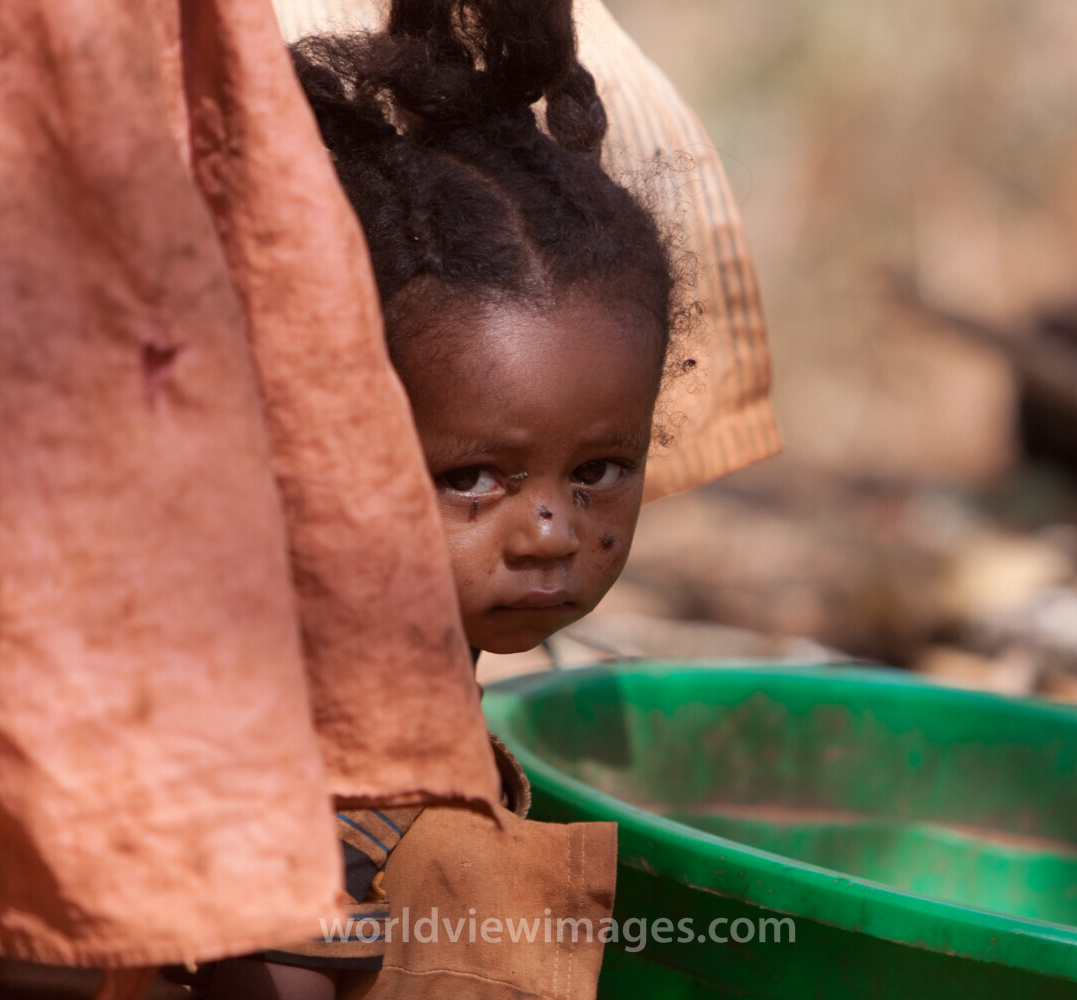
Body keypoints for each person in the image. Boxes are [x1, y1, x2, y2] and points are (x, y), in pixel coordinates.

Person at [206, 0, 683, 996]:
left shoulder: (423, 673)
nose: (552, 532)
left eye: (600, 468)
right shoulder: (308, 740)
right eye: (471, 478)